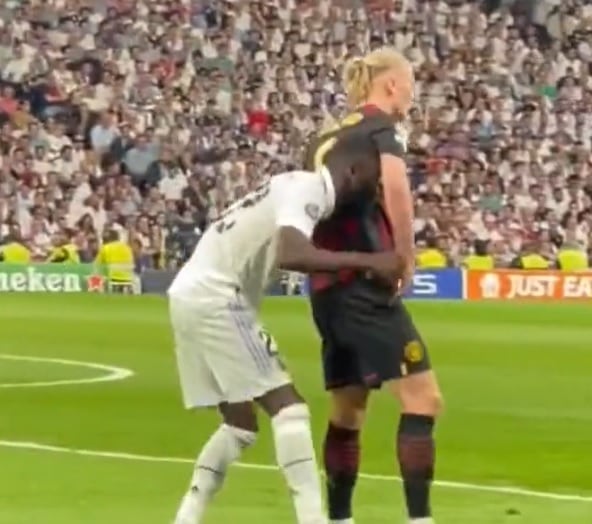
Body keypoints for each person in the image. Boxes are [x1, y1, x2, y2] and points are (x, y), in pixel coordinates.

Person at [167, 139, 400, 524]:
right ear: (352, 172)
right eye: (375, 181)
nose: (377, 192)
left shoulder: (286, 184)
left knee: (239, 425)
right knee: (289, 408)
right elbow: (293, 253)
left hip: (187, 294)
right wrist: (369, 261)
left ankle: (186, 517)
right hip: (216, 295)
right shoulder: (307, 188)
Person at [305, 48, 442, 524]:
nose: (411, 95)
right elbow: (398, 188)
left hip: (325, 288)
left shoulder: (326, 136)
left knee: (348, 410)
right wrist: (404, 255)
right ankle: (419, 520)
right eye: (408, 85)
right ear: (388, 86)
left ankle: (338, 519)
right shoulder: (380, 129)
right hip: (364, 282)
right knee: (424, 399)